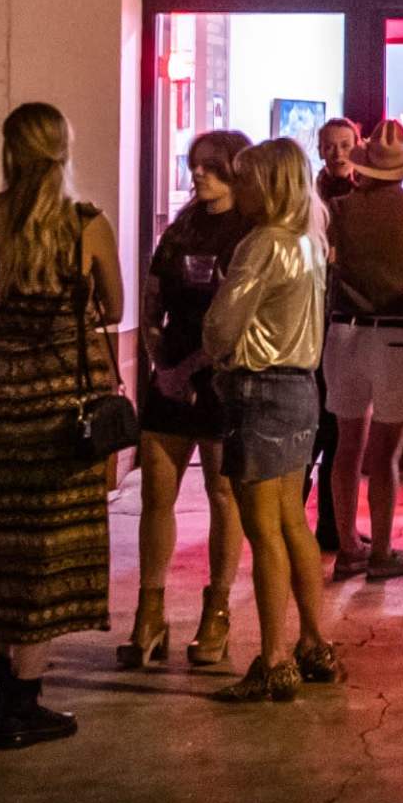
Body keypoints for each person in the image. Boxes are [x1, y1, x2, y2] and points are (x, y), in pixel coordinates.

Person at [0, 102, 127, 749]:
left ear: (8, 150)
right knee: (45, 552)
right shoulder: (84, 225)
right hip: (56, 413)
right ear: (63, 149)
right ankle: (23, 700)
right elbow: (114, 306)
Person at [204, 136, 342, 700]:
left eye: (245, 179)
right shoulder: (310, 240)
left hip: (258, 388)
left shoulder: (261, 243)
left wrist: (216, 356)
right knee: (292, 521)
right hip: (301, 386)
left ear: (266, 185)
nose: (237, 188)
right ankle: (313, 641)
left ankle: (274, 658)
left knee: (263, 531)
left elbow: (222, 323)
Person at [126, 129, 250, 671]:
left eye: (211, 166)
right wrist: (160, 362)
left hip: (222, 374)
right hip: (170, 373)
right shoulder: (179, 230)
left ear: (235, 170)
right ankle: (149, 612)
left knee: (223, 494)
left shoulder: (250, 232)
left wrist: (187, 368)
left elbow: (241, 319)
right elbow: (151, 301)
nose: (198, 173)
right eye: (195, 164)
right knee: (157, 494)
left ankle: (216, 612)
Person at [323, 124, 403, 583]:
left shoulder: (337, 211)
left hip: (344, 333)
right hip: (400, 334)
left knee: (347, 447)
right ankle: (381, 551)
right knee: (385, 455)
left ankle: (347, 548)